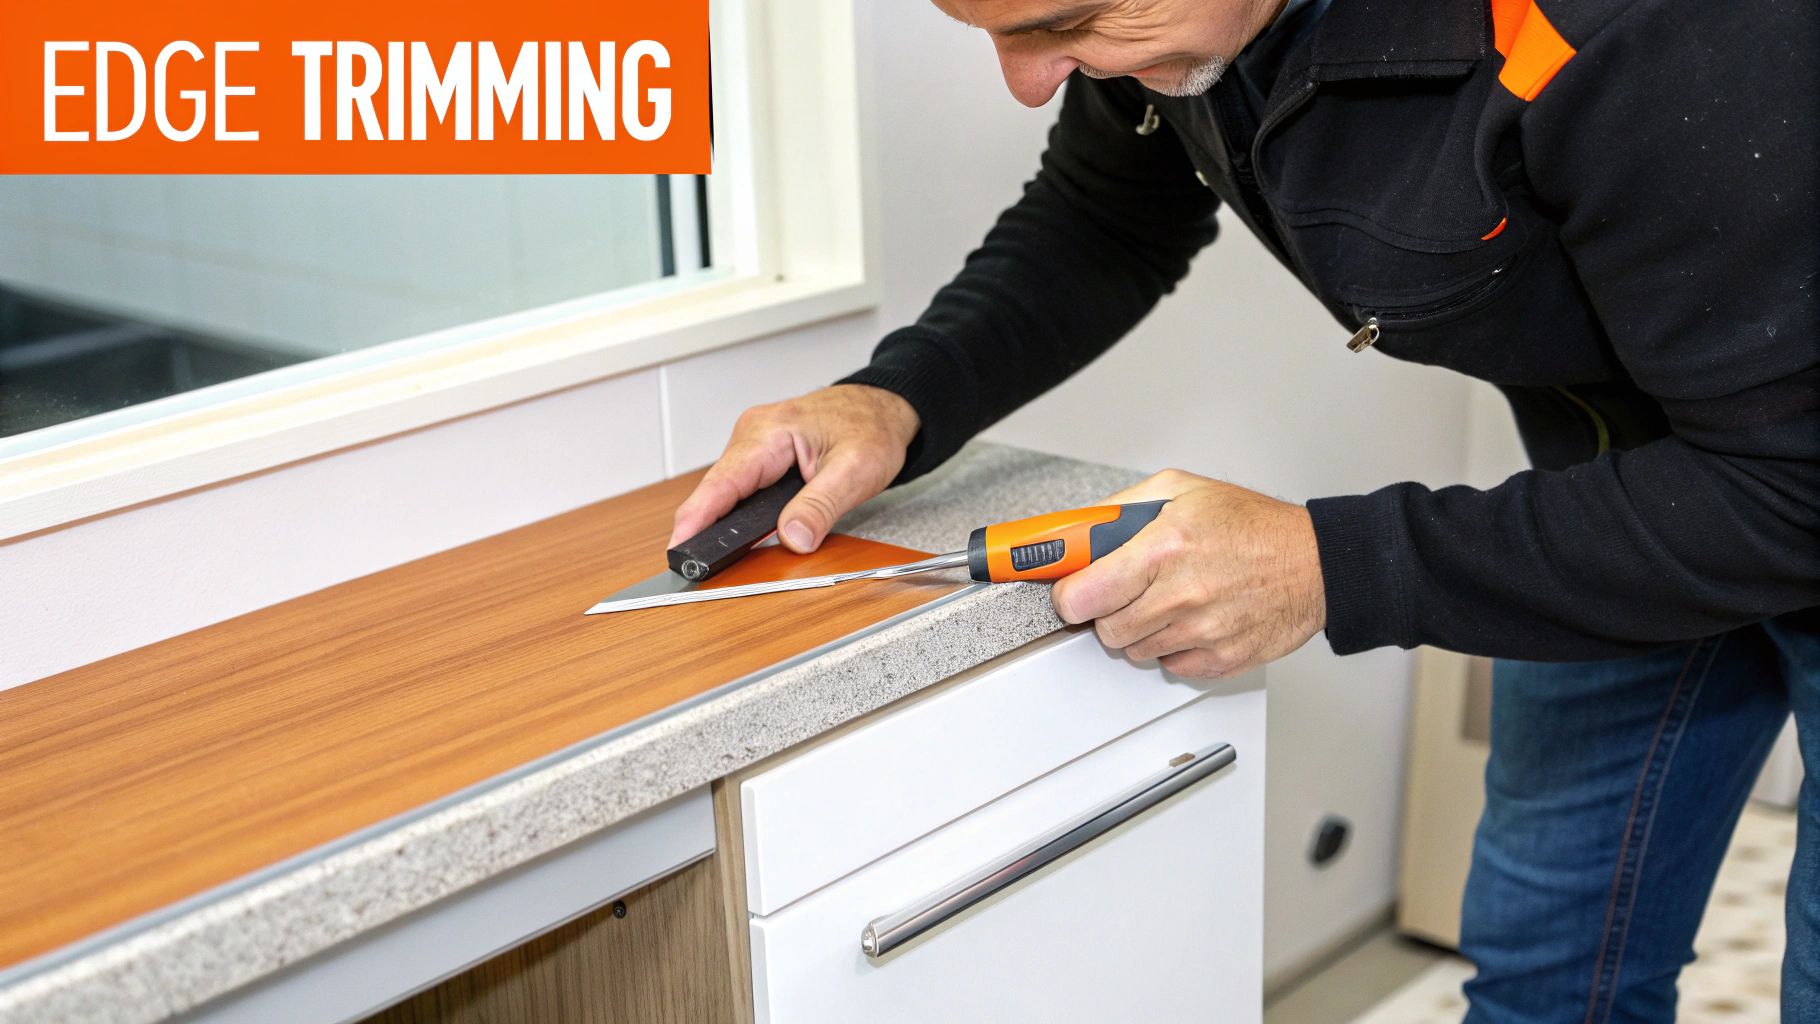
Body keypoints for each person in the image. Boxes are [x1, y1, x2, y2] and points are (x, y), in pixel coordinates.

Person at [672, 0, 1820, 1017]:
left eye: (1065, 23)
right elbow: (1105, 218)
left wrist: (1328, 563)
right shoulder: (1181, 44)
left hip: (1775, 477)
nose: (1027, 81)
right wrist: (896, 397)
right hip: (1627, 487)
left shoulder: (1649, 25)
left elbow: (1788, 488)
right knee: (1540, 972)